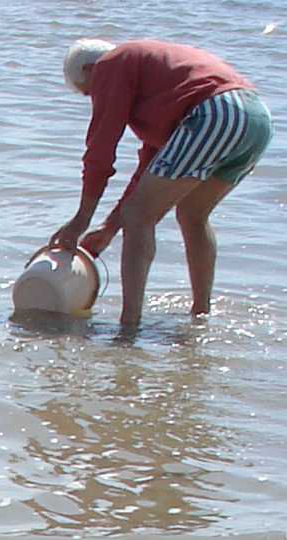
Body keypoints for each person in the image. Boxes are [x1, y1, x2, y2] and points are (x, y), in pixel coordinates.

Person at [50, 37, 271, 330]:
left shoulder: (111, 65)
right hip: (255, 119)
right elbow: (148, 171)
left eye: (88, 92)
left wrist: (81, 219)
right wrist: (108, 228)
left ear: (91, 70)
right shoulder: (155, 80)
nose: (95, 98)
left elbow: (101, 148)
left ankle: (129, 325)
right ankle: (200, 315)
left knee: (139, 217)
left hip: (215, 113)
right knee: (192, 216)